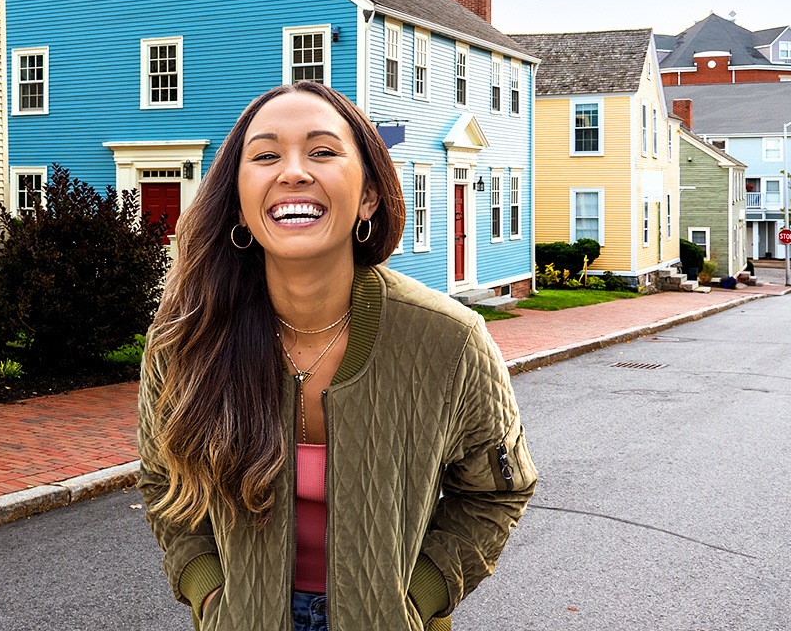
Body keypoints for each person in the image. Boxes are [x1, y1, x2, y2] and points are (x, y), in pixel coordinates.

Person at [136, 80, 537, 631]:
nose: (293, 172)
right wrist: (208, 593)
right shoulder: (188, 341)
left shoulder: (450, 341)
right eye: (266, 156)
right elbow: (162, 481)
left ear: (369, 195)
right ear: (239, 202)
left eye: (322, 151)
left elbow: (496, 492)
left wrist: (416, 598)